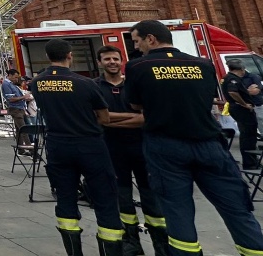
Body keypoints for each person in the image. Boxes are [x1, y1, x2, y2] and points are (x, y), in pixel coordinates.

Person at [126, 20, 263, 256]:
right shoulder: (204, 64)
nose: (137, 48)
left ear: (151, 39)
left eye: (137, 41)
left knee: (177, 211)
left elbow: (135, 104)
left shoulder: (138, 66)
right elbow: (209, 97)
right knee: (237, 209)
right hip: (209, 144)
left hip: (166, 146)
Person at [31, 38, 124, 256]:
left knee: (65, 199)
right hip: (89, 145)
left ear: (48, 57)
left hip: (57, 146)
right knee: (105, 198)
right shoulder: (85, 83)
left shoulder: (38, 82)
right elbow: (104, 117)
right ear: (70, 55)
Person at [94, 45, 167, 255]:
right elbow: (97, 118)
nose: (112, 62)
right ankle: (131, 243)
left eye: (115, 59)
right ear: (100, 62)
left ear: (121, 61)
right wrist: (133, 119)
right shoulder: (94, 87)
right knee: (122, 198)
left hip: (143, 147)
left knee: (151, 197)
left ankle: (161, 244)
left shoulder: (136, 84)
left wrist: (109, 120)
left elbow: (148, 117)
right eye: (107, 59)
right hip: (112, 150)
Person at [223, 58, 260, 169]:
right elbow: (233, 92)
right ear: (242, 69)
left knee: (249, 135)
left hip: (238, 109)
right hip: (242, 110)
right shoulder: (233, 79)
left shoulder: (227, 78)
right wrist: (244, 104)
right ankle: (250, 163)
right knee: (248, 136)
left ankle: (252, 160)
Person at [1, 69, 33, 152]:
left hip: (20, 108)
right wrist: (23, 97)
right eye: (15, 77)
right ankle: (31, 150)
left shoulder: (12, 84)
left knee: (19, 130)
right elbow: (10, 98)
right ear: (10, 75)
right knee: (24, 129)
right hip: (15, 109)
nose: (16, 79)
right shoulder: (6, 84)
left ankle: (20, 149)